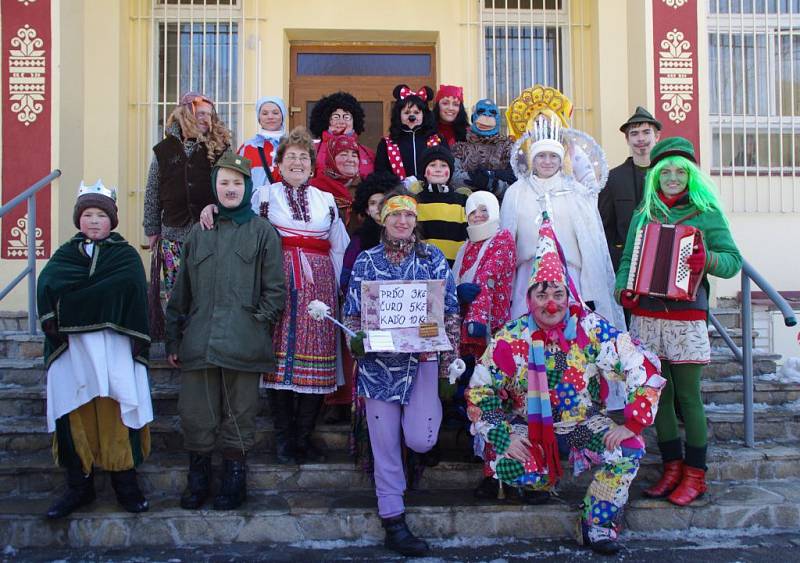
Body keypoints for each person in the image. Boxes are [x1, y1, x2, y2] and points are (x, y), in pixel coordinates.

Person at [466, 214, 665, 555]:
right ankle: (539, 478)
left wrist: (632, 423)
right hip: (528, 427)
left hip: (581, 426)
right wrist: (500, 434)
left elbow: (641, 365)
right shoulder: (511, 337)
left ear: (568, 294)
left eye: (558, 293)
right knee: (512, 464)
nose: (551, 304)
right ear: (529, 298)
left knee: (630, 450)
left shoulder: (589, 328)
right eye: (541, 296)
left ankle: (596, 523)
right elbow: (480, 391)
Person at [615, 137, 742, 506]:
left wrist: (708, 263)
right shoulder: (646, 211)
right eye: (665, 171)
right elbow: (628, 261)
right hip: (647, 315)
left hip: (687, 316)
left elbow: (732, 259)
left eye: (680, 171)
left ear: (691, 176)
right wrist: (624, 289)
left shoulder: (706, 212)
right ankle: (671, 468)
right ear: (655, 175)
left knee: (688, 397)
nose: (672, 177)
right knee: (660, 397)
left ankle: (695, 474)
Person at [343, 190, 460, 557]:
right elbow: (352, 313)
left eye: (409, 216)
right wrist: (355, 340)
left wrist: (446, 367)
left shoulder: (432, 258)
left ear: (415, 221)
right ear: (383, 220)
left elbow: (451, 313)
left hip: (422, 361)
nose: (402, 222)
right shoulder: (367, 261)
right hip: (379, 369)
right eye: (395, 215)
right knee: (385, 446)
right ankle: (393, 517)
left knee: (421, 438)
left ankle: (416, 464)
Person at [165, 152, 285, 511]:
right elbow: (180, 289)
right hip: (199, 341)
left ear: (247, 187)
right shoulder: (198, 233)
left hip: (244, 343)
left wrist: (258, 322)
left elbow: (275, 288)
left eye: (236, 183)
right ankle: (198, 477)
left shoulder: (263, 232)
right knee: (196, 414)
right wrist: (173, 335)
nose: (230, 189)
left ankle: (234, 479)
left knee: (240, 415)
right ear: (214, 188)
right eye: (223, 183)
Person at [38, 180, 153, 519]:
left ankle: (125, 484)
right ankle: (79, 485)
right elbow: (47, 285)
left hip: (114, 348)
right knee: (75, 410)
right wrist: (58, 318)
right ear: (78, 219)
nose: (93, 221)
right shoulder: (64, 255)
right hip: (74, 351)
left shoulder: (126, 256)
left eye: (100, 215)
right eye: (87, 214)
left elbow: (133, 291)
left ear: (111, 221)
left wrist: (76, 302)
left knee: (117, 408)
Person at [257, 127, 350, 465]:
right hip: (280, 283)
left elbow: (338, 246)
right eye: (290, 156)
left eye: (303, 157)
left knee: (318, 361)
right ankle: (284, 440)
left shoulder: (325, 200)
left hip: (320, 287)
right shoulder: (264, 196)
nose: (297, 162)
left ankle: (303, 437)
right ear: (278, 163)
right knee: (280, 361)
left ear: (312, 166)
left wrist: (340, 290)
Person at [501, 85, 624, 333]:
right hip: (527, 277)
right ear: (532, 158)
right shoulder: (516, 192)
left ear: (561, 159)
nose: (547, 162)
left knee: (569, 341)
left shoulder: (576, 193)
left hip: (569, 280)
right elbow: (505, 243)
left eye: (553, 157)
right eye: (541, 156)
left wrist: (591, 291)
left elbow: (590, 245)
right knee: (527, 340)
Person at [326, 171, 401, 427]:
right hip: (369, 320)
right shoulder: (359, 240)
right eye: (372, 203)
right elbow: (346, 278)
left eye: (384, 202)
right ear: (365, 209)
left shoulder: (408, 237)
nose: (379, 209)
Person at [143, 92, 231, 301]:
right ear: (184, 114)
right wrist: (152, 228)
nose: (205, 118)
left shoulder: (221, 149)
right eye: (199, 113)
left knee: (207, 293)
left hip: (210, 232)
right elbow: (152, 191)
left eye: (209, 114)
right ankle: (178, 333)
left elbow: (231, 188)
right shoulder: (163, 150)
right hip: (173, 233)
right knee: (177, 294)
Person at [452, 191, 516, 361]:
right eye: (472, 212)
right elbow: (454, 279)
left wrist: (476, 318)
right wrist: (457, 292)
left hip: (490, 320)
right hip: (465, 319)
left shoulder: (502, 238)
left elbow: (488, 278)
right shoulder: (465, 246)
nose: (478, 215)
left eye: (483, 210)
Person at [598, 106, 662, 272]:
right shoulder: (612, 179)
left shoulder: (669, 177)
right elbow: (605, 230)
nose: (640, 138)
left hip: (662, 260)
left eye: (646, 132)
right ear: (627, 139)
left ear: (657, 136)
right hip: (625, 265)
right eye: (634, 134)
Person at [409, 144, 469, 265]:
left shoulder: (463, 201)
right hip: (422, 269)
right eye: (432, 165)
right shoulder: (414, 201)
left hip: (455, 270)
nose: (438, 169)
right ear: (424, 172)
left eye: (443, 165)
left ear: (450, 172)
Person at [375, 84, 443, 183]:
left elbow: (446, 168)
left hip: (431, 195)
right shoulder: (386, 144)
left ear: (424, 115)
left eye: (416, 113)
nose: (412, 117)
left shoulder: (437, 140)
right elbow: (380, 173)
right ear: (399, 115)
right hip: (398, 194)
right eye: (407, 113)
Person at [452, 99, 517, 200]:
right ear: (473, 117)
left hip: (499, 208)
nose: (486, 117)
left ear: (498, 120)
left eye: (492, 113)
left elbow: (515, 184)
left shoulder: (509, 148)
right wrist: (489, 176)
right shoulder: (460, 148)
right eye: (481, 112)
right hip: (468, 207)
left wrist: (492, 183)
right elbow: (454, 179)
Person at [309, 91, 375, 180]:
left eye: (346, 117)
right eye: (336, 117)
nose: (341, 121)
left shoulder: (368, 153)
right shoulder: (312, 150)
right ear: (325, 120)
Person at [311, 134, 362, 228]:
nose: (350, 160)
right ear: (331, 159)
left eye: (354, 155)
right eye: (344, 154)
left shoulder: (365, 188)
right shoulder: (315, 188)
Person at [237, 96, 287, 188]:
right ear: (259, 118)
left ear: (282, 115)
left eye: (275, 113)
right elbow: (237, 178)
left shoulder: (293, 145)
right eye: (264, 113)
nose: (270, 117)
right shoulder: (247, 147)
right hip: (256, 201)